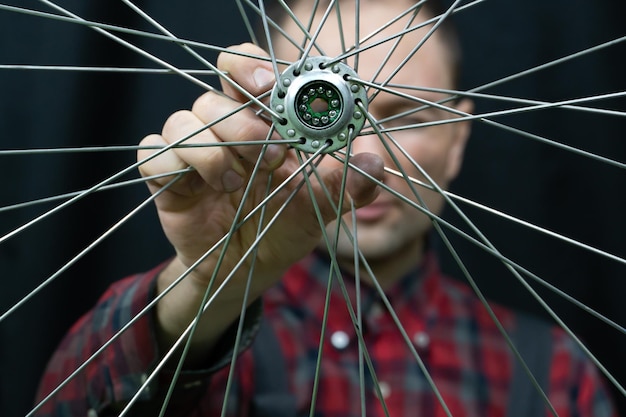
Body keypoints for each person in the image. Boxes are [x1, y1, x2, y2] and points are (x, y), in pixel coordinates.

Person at [35, 0, 617, 416]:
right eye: (318, 112)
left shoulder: (555, 378)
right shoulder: (188, 333)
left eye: (405, 117)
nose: (362, 154)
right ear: (260, 121)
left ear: (459, 140)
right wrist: (208, 284)